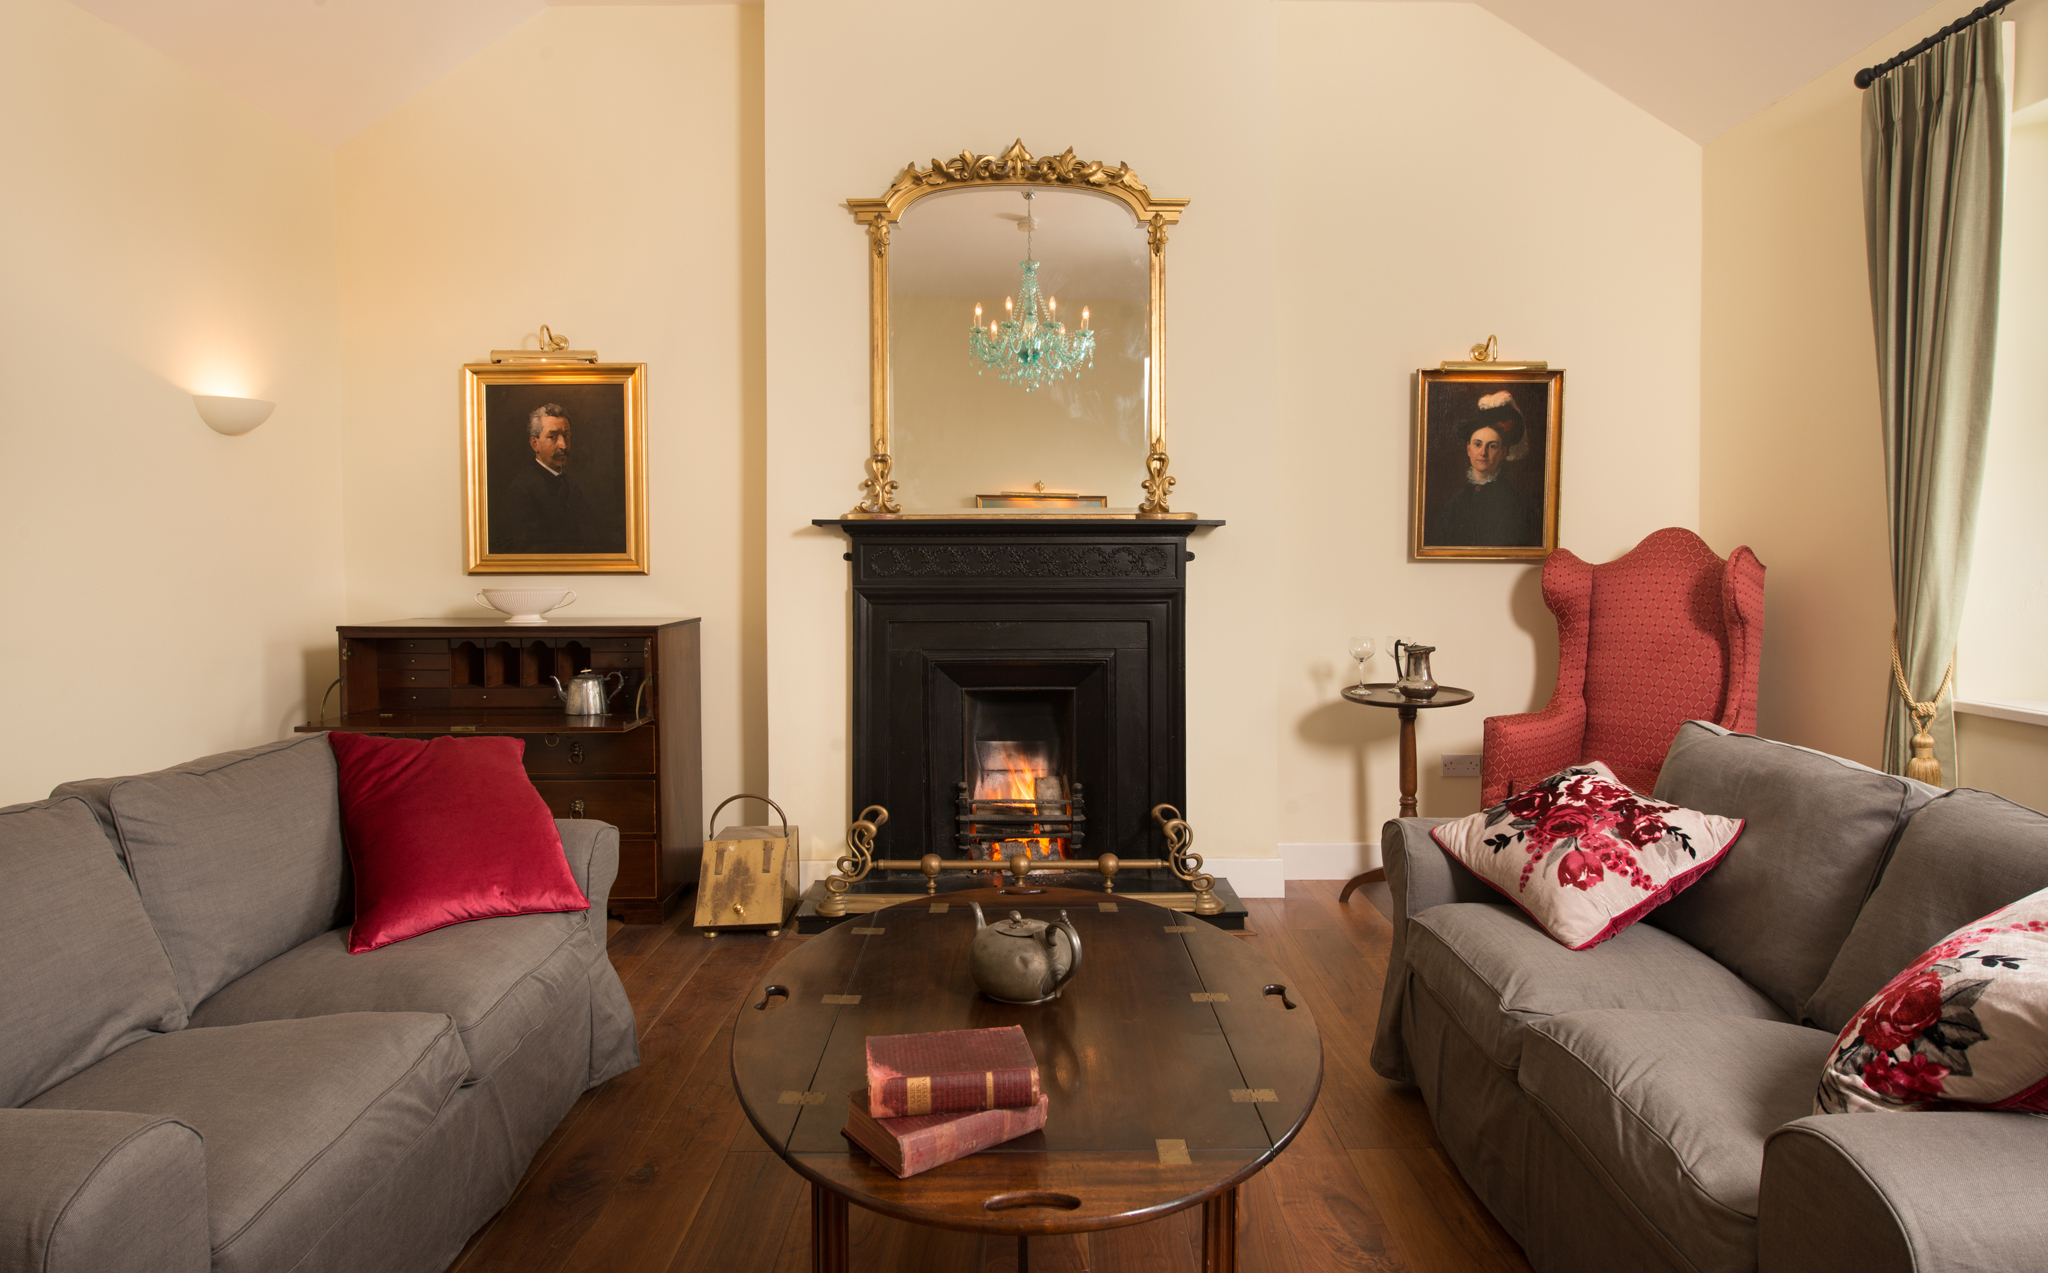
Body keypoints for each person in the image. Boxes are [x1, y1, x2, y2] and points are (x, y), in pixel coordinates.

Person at [491, 403, 622, 554]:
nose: (563, 445)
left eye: (566, 436)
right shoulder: (520, 493)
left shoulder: (572, 486)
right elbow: (530, 555)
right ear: (535, 444)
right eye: (552, 437)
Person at [1430, 392, 1541, 548]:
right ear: (1468, 449)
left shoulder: (1517, 503)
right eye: (1477, 444)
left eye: (1492, 446)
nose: (1483, 452)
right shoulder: (1455, 503)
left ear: (1503, 452)